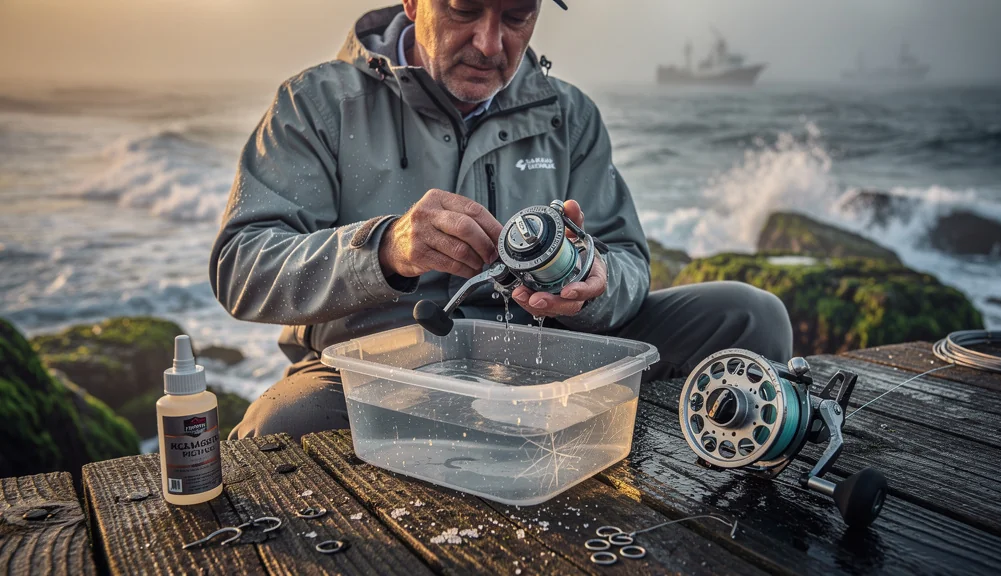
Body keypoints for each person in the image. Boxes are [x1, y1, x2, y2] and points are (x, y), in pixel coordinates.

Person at [210, 0, 793, 439]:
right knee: (276, 426)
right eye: (464, 9)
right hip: (371, 371)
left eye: (517, 15)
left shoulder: (571, 115)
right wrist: (384, 249)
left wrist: (594, 284)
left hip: (549, 358)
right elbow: (241, 266)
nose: (490, 44)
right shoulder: (314, 103)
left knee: (749, 317)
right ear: (411, 2)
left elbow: (628, 263)